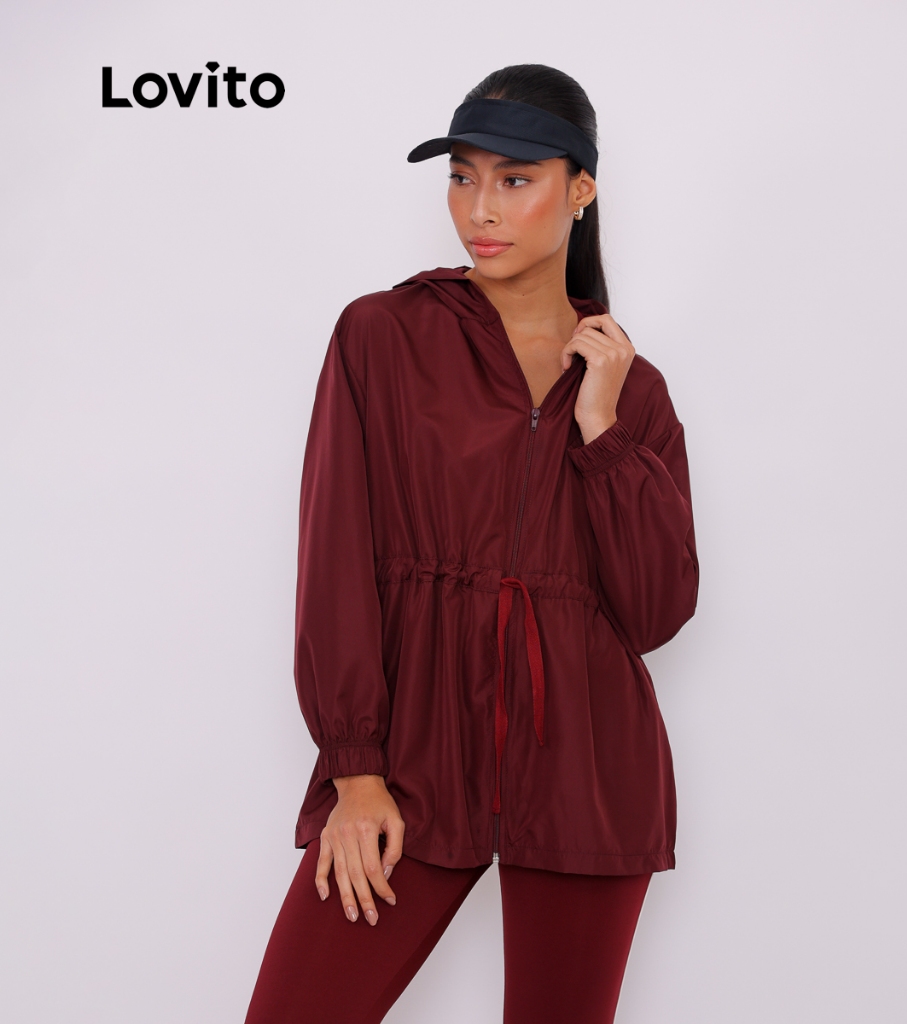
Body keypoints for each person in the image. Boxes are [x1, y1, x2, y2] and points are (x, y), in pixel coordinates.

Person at [243, 63, 699, 1024]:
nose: (479, 209)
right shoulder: (382, 336)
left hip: (587, 773)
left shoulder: (635, 391)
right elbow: (334, 560)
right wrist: (354, 772)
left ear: (580, 190)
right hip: (412, 764)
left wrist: (602, 430)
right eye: (461, 177)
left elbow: (656, 613)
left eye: (514, 179)